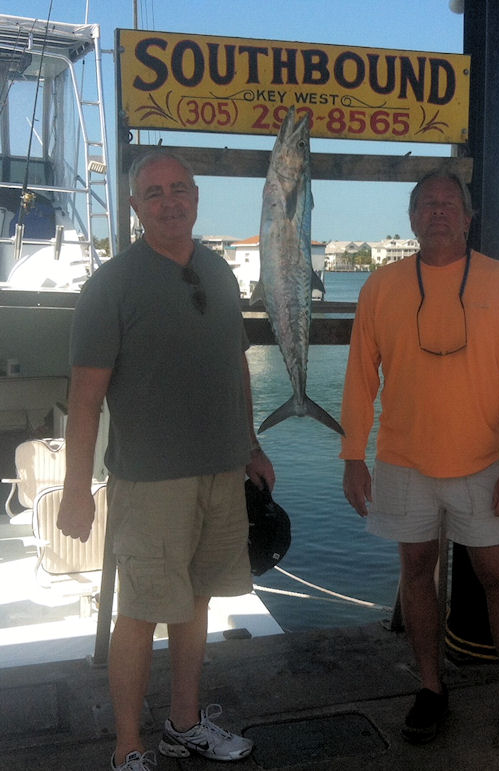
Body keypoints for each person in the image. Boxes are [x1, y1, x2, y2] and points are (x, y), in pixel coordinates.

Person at [57, 150, 275, 771]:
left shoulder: (220, 273)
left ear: (197, 197)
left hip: (221, 471)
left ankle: (184, 723)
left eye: (180, 189)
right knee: (141, 612)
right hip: (149, 480)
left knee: (199, 600)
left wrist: (252, 445)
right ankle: (127, 746)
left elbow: (234, 367)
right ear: (134, 207)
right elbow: (84, 401)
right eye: (154, 193)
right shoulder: (111, 286)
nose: (169, 201)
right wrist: (77, 491)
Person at [340, 169, 499, 758]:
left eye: (448, 203)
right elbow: (359, 381)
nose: (437, 212)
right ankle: (431, 687)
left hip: (485, 462)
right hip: (403, 460)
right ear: (411, 218)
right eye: (426, 204)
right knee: (417, 573)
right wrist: (353, 456)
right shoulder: (380, 287)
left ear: (467, 216)